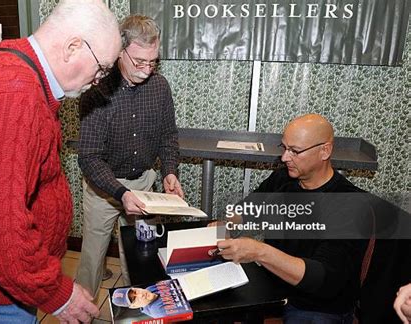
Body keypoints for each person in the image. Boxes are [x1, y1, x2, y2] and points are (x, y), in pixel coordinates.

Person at [0, 0, 121, 322]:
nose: (99, 80)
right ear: (72, 46)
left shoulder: (10, 62)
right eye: (102, 68)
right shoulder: (12, 95)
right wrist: (57, 294)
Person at [215, 114, 369, 323]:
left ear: (325, 150)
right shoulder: (284, 177)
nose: (285, 158)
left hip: (318, 305)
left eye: (295, 151)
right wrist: (224, 225)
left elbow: (322, 279)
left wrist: (259, 251)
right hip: (274, 285)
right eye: (284, 148)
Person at [76, 14, 184, 296]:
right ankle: (82, 312)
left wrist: (170, 172)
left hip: (144, 185)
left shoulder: (159, 87)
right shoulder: (97, 90)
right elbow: (89, 156)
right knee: (91, 260)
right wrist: (121, 193)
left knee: (142, 257)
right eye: (139, 62)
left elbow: (167, 136)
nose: (147, 69)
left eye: (153, 61)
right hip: (104, 188)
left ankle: (141, 310)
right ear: (119, 51)